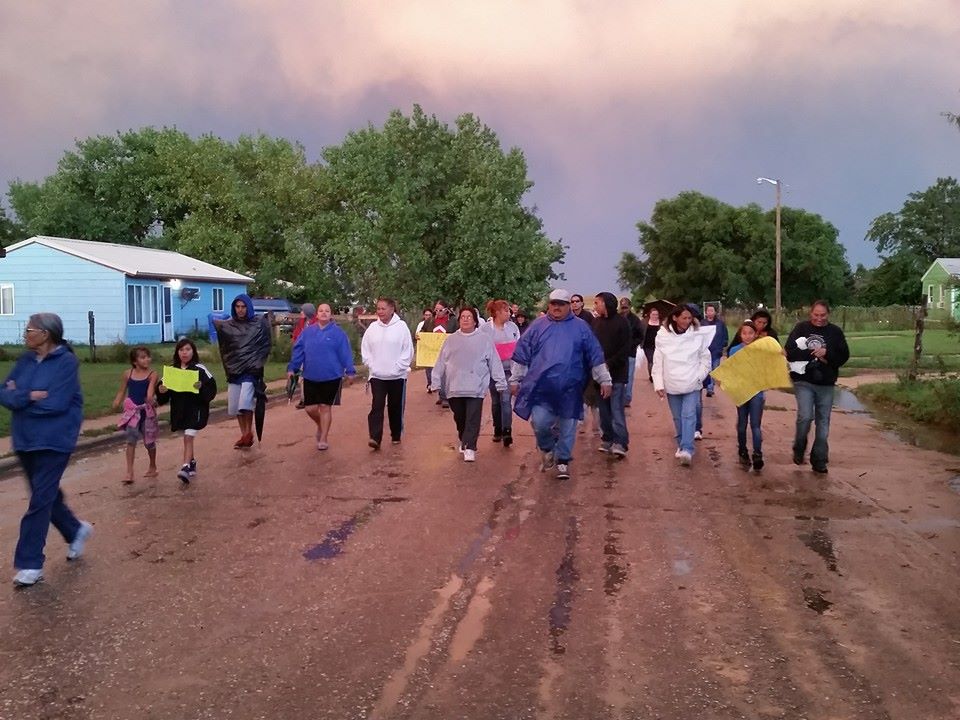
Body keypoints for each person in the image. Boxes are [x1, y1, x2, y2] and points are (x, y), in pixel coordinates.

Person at [1, 313, 92, 587]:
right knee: (45, 495)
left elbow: (57, 403)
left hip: (55, 440)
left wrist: (19, 398)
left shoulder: (66, 362)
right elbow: (4, 393)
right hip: (25, 439)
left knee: (40, 500)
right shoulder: (26, 360)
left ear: (46, 334)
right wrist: (29, 395)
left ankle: (30, 564)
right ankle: (75, 530)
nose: (25, 334)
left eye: (29, 330)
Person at [511, 289, 612, 481]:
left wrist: (605, 380)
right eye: (553, 303)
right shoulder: (538, 326)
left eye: (561, 304)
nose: (556, 307)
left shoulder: (581, 328)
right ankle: (547, 448)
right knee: (540, 424)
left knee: (567, 426)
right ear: (549, 305)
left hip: (570, 389)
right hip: (542, 388)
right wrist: (515, 379)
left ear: (568, 306)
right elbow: (522, 353)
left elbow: (595, 355)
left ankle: (563, 460)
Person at [432, 307, 507, 462]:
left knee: (473, 417)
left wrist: (500, 381)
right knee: (460, 418)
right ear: (459, 320)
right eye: (463, 317)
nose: (465, 319)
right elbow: (441, 362)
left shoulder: (484, 339)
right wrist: (435, 381)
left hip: (476, 387)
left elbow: (494, 361)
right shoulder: (451, 340)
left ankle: (470, 447)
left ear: (475, 321)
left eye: (469, 317)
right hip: (455, 386)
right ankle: (464, 439)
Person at [785, 300, 850, 474]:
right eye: (816, 315)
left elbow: (844, 356)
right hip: (803, 380)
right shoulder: (801, 329)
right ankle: (799, 446)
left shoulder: (835, 332)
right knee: (806, 416)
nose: (819, 318)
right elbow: (789, 351)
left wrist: (827, 354)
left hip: (826, 383)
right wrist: (811, 353)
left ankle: (819, 459)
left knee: (823, 422)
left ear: (828, 314)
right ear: (810, 313)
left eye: (823, 315)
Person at [287, 303, 357, 451]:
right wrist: (292, 368)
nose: (324, 313)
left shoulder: (338, 333)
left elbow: (345, 353)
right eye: (321, 311)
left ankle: (324, 437)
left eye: (327, 311)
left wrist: (350, 371)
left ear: (331, 314)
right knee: (310, 408)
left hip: (332, 376)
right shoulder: (307, 333)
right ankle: (320, 424)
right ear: (316, 314)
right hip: (311, 375)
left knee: (325, 407)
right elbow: (298, 351)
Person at [652, 305, 711, 467]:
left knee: (689, 415)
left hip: (692, 383)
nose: (687, 321)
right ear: (675, 317)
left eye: (689, 318)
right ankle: (681, 444)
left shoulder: (698, 335)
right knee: (678, 417)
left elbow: (705, 359)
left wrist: (698, 377)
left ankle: (687, 449)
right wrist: (658, 384)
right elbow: (658, 361)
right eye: (684, 318)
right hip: (672, 383)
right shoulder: (663, 336)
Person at [212, 294, 272, 449]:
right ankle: (244, 434)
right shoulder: (229, 326)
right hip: (234, 371)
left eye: (243, 306)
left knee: (245, 403)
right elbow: (226, 347)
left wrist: (257, 363)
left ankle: (248, 433)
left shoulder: (257, 324)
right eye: (237, 307)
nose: (240, 310)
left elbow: (265, 344)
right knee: (235, 407)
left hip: (251, 371)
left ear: (248, 307)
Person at [156, 338, 218, 484]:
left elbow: (211, 387)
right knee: (186, 435)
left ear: (193, 351)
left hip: (196, 409)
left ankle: (185, 467)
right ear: (177, 352)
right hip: (179, 410)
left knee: (188, 436)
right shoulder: (172, 370)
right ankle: (191, 461)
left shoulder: (200, 369)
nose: (184, 353)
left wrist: (201, 387)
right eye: (181, 350)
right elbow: (163, 391)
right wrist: (161, 390)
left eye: (188, 349)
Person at [361, 297, 414, 450]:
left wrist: (398, 368)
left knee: (395, 406)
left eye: (383, 308)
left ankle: (396, 434)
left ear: (392, 309)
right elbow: (366, 349)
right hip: (377, 376)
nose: (380, 311)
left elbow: (407, 351)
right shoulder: (372, 328)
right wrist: (372, 365)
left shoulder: (401, 327)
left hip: (397, 376)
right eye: (378, 309)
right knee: (377, 405)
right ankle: (375, 437)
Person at [593, 292, 633, 457]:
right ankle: (608, 438)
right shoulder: (596, 323)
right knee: (603, 411)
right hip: (598, 375)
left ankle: (620, 442)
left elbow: (626, 347)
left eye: (597, 303)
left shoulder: (622, 322)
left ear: (606, 304)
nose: (595, 306)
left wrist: (609, 363)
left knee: (616, 409)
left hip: (617, 374)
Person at [112, 346, 159, 483]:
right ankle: (129, 472)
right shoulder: (128, 374)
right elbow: (122, 390)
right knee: (131, 441)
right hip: (132, 413)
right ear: (134, 361)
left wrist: (151, 398)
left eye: (148, 357)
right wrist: (117, 401)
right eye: (143, 357)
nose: (147, 359)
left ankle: (152, 466)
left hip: (146, 413)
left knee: (149, 442)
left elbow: (150, 392)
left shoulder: (152, 374)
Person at [724, 320, 766, 471]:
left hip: (756, 391)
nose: (747, 336)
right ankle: (742, 450)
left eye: (750, 333)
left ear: (755, 334)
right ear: (740, 335)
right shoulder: (734, 350)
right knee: (742, 424)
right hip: (741, 391)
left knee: (755, 424)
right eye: (744, 333)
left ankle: (757, 453)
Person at [481, 299, 520, 447]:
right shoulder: (485, 329)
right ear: (497, 312)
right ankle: (497, 428)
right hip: (493, 371)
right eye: (506, 310)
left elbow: (519, 345)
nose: (509, 313)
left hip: (509, 370)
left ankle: (507, 431)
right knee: (496, 401)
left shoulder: (513, 327)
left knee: (505, 399)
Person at [290, 303, 318, 409]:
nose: (301, 313)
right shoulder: (301, 322)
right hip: (302, 354)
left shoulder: (316, 322)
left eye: (303, 311)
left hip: (313, 355)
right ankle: (304, 399)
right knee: (302, 378)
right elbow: (296, 335)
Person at [618, 297, 643, 407]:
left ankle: (627, 398)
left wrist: (631, 345)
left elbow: (640, 336)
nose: (624, 309)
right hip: (618, 353)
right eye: (622, 307)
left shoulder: (635, 320)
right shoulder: (617, 318)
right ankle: (619, 397)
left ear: (630, 307)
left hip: (630, 353)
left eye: (626, 307)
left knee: (629, 376)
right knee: (618, 376)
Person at [701, 304, 729, 398]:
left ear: (715, 312)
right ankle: (706, 385)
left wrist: (723, 344)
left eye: (711, 310)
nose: (710, 312)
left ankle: (710, 388)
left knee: (714, 369)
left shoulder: (720, 324)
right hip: (705, 351)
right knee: (706, 369)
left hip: (716, 351)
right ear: (706, 312)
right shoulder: (702, 323)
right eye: (708, 310)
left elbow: (725, 335)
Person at [415, 308, 435, 392]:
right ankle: (430, 384)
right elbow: (417, 334)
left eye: (429, 315)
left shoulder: (434, 323)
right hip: (426, 349)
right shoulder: (421, 324)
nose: (428, 316)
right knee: (428, 368)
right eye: (426, 315)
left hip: (434, 348)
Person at [641, 307, 660, 382]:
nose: (655, 316)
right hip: (647, 345)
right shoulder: (644, 322)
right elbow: (640, 331)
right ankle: (652, 376)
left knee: (657, 361)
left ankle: (657, 375)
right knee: (651, 360)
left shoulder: (661, 323)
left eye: (656, 314)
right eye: (653, 314)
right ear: (650, 314)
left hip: (658, 345)